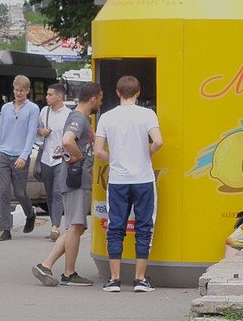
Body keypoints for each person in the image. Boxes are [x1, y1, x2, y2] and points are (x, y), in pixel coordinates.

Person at [94, 75, 163, 293]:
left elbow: (97, 151)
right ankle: (140, 279)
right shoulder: (147, 114)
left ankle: (114, 279)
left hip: (118, 180)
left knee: (116, 227)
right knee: (144, 227)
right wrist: (147, 152)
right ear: (138, 92)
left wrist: (113, 158)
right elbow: (159, 141)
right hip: (143, 179)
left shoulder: (106, 117)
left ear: (117, 92)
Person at [32, 83, 103, 287]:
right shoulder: (79, 118)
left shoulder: (80, 117)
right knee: (75, 226)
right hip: (75, 179)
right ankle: (68, 273)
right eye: (100, 98)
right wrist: (79, 157)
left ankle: (45, 266)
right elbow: (67, 140)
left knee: (77, 227)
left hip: (75, 179)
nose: (100, 102)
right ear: (92, 99)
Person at [0, 75, 40, 241]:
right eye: (16, 90)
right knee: (4, 191)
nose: (18, 93)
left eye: (21, 90)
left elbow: (31, 134)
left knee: (20, 192)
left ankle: (30, 214)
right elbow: (1, 131)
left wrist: (24, 155)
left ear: (27, 91)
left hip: (20, 155)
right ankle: (6, 229)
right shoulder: (6, 108)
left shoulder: (33, 109)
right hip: (4, 154)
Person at [36, 83, 71, 241]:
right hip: (46, 158)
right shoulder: (44, 112)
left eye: (50, 94)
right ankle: (53, 223)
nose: (47, 97)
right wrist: (41, 131)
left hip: (61, 159)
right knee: (49, 193)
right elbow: (38, 129)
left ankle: (55, 226)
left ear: (59, 96)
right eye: (47, 94)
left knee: (58, 192)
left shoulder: (69, 114)